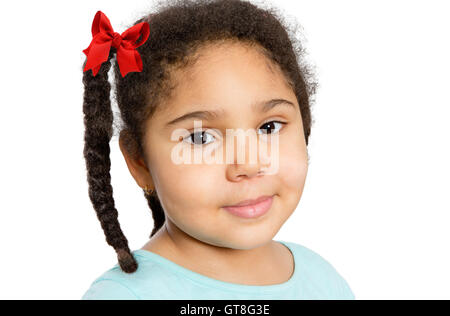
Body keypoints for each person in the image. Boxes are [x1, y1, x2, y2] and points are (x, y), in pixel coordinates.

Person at [80, 0, 355, 300]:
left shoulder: (323, 281)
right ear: (139, 162)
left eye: (269, 127)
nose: (248, 164)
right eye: (200, 138)